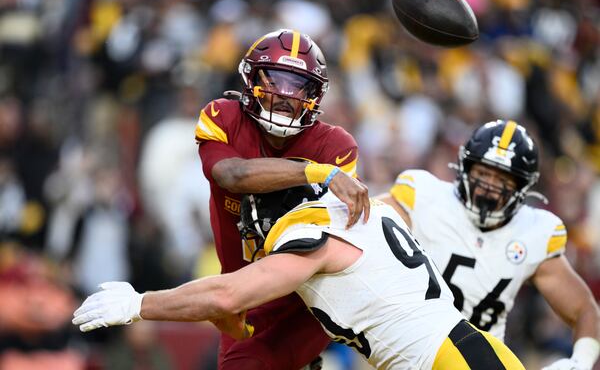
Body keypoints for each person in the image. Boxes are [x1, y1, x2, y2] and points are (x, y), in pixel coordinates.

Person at [73, 185, 525, 370]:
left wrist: (139, 304)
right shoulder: (357, 213)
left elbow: (226, 294)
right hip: (458, 351)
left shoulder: (311, 236)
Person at [193, 29, 370, 369]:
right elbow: (233, 175)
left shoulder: (335, 145)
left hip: (306, 302)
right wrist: (317, 174)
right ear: (252, 79)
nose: (286, 95)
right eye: (275, 81)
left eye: (298, 86)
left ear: (315, 94)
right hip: (242, 295)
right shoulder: (223, 117)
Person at [377, 119, 600, 370]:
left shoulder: (534, 231)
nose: (488, 188)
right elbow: (363, 224)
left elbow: (584, 309)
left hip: (481, 361)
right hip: (411, 350)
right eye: (483, 174)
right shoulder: (424, 197)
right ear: (466, 168)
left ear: (522, 187)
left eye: (502, 181)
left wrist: (581, 361)